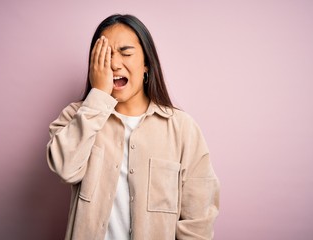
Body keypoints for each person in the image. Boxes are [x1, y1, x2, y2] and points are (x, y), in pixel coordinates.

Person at [47, 14, 220, 240]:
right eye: (105, 55)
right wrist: (98, 96)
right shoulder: (76, 116)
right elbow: (65, 169)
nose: (114, 63)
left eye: (125, 53)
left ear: (146, 63)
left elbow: (199, 219)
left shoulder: (182, 129)